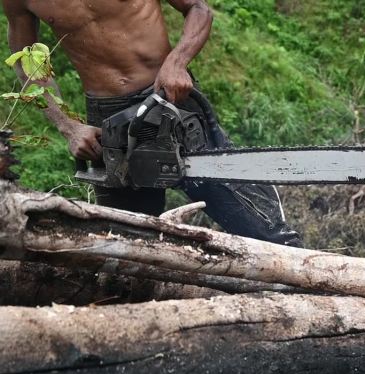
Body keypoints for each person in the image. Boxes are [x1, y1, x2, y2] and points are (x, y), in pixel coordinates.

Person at [2, 0, 302, 247]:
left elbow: (198, 9)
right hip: (107, 119)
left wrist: (177, 62)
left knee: (263, 230)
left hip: (169, 97)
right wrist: (68, 126)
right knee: (125, 245)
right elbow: (23, 58)